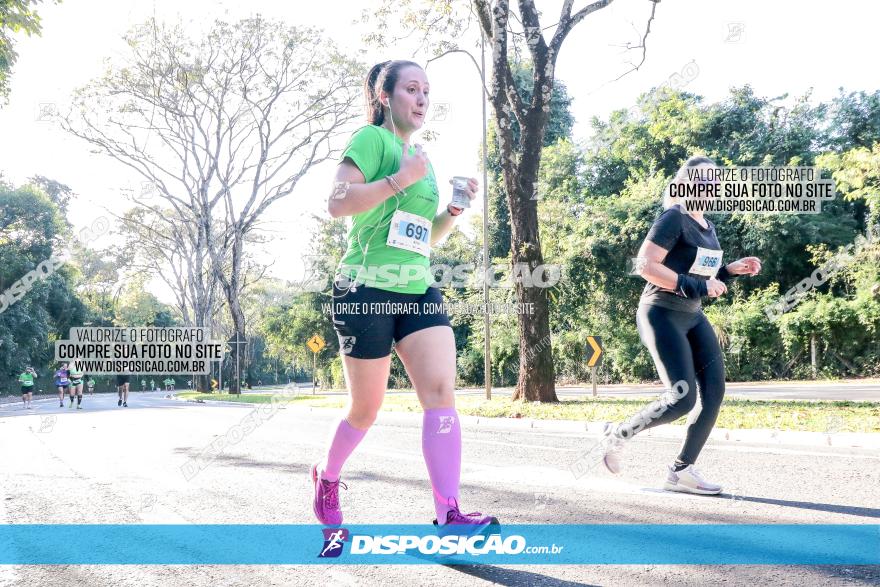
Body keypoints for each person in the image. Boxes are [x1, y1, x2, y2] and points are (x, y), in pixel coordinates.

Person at [311, 60, 496, 532]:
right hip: (365, 289)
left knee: (440, 395)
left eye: (426, 92)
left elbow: (424, 238)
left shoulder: (421, 159)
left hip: (417, 290)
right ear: (384, 96)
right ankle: (327, 476)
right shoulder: (370, 141)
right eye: (411, 89)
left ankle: (448, 514)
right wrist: (401, 178)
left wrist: (452, 211)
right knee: (366, 409)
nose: (421, 99)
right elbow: (337, 203)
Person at [602, 155, 762, 495]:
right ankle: (620, 434)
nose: (712, 186)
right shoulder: (672, 217)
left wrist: (729, 271)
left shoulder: (707, 225)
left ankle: (681, 471)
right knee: (682, 398)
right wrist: (701, 286)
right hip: (660, 312)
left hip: (691, 314)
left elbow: (698, 276)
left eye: (716, 181)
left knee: (715, 393)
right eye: (704, 180)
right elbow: (645, 265)